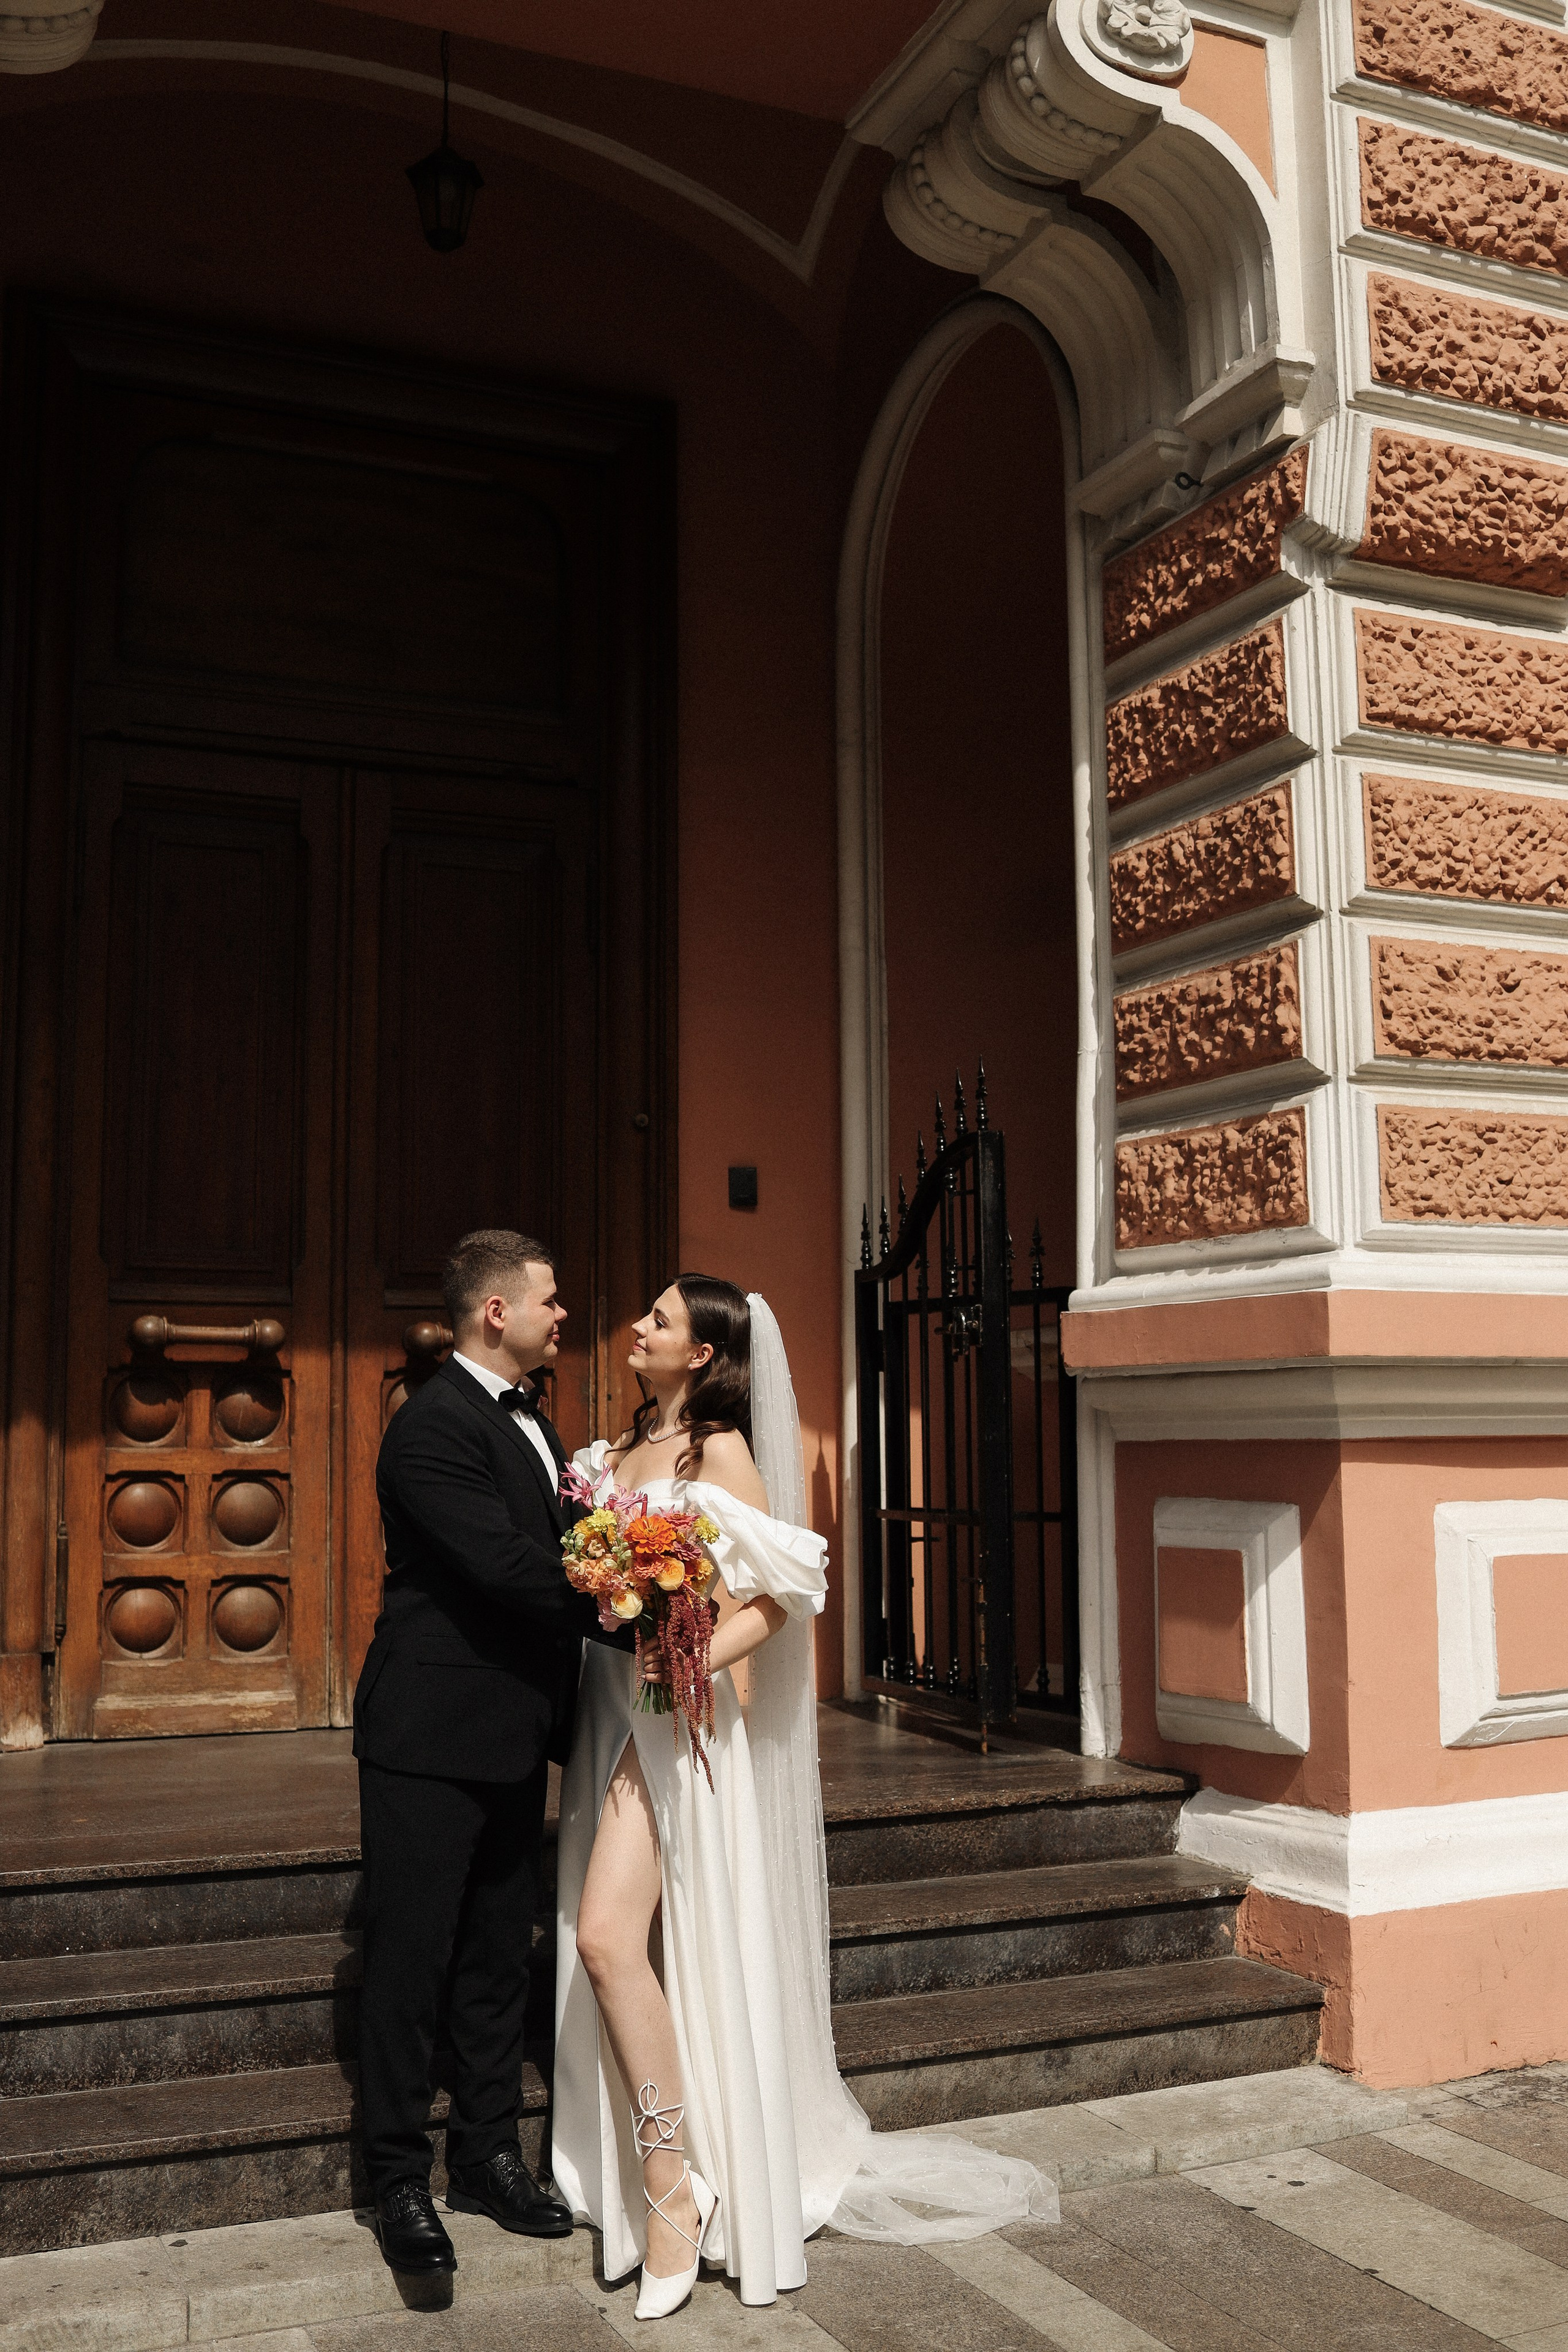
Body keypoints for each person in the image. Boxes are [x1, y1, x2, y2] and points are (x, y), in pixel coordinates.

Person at [552, 1275, 1053, 2321]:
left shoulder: (718, 1452)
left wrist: (687, 1661)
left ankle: (673, 2190)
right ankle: (668, 2169)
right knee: (626, 1944)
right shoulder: (620, 1447)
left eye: (660, 1320)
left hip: (674, 1723)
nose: (638, 1327)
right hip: (608, 1712)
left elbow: (781, 1596)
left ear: (702, 1353)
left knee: (605, 1937)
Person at [354, 1227, 617, 2275]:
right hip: (429, 1732)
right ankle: (394, 2178)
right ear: (497, 1312)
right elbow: (506, 1565)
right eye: (551, 1299)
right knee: (410, 1960)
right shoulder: (429, 1427)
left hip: (513, 1731)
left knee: (500, 1953)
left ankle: (487, 2157)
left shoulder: (536, 1419)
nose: (564, 1315)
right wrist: (638, 1609)